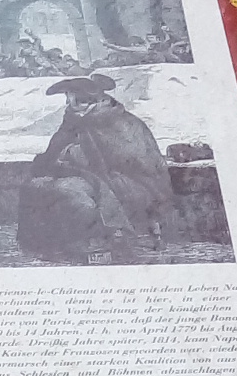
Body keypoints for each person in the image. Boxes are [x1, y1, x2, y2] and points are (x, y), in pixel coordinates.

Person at [17, 72, 173, 261]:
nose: (69, 104)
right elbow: (54, 152)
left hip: (130, 183)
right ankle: (50, 245)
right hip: (89, 176)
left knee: (72, 193)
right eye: (68, 99)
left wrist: (75, 155)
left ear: (90, 100)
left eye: (73, 99)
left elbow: (135, 163)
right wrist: (55, 161)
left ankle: (100, 243)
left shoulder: (122, 122)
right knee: (38, 186)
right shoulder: (75, 121)